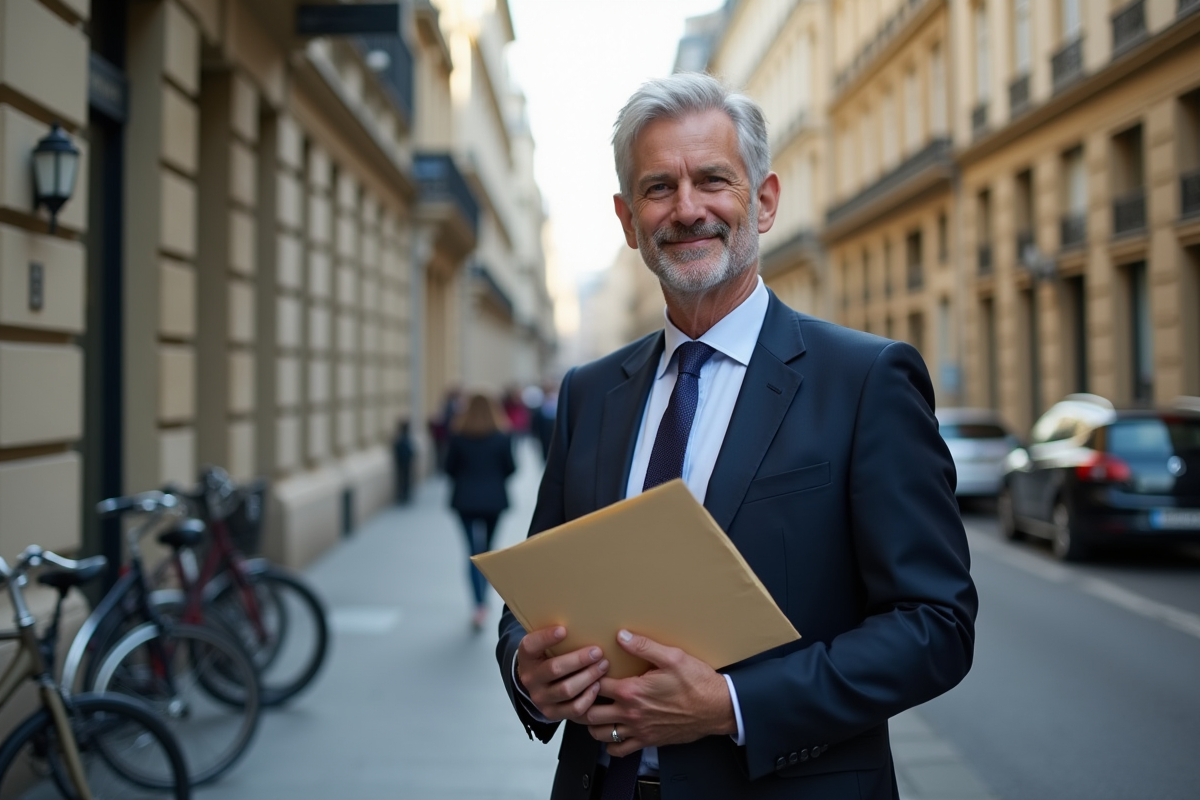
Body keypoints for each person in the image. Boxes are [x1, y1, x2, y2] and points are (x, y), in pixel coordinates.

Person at [495, 73, 978, 800]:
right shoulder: (589, 393)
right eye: (659, 188)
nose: (687, 209)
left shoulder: (864, 380)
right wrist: (527, 674)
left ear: (765, 199)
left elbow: (935, 625)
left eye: (713, 180)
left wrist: (732, 706)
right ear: (629, 221)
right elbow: (534, 601)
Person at [445, 393, 517, 630]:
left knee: (471, 551)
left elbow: (448, 468)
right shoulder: (501, 437)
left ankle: (478, 604)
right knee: (486, 551)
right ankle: (483, 601)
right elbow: (511, 468)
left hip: (465, 499)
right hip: (493, 500)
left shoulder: (458, 436)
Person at [392, 418, 414, 505]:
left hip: (403, 461)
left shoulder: (402, 437)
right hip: (403, 461)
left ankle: (404, 494)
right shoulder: (403, 437)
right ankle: (404, 494)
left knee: (404, 478)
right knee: (404, 478)